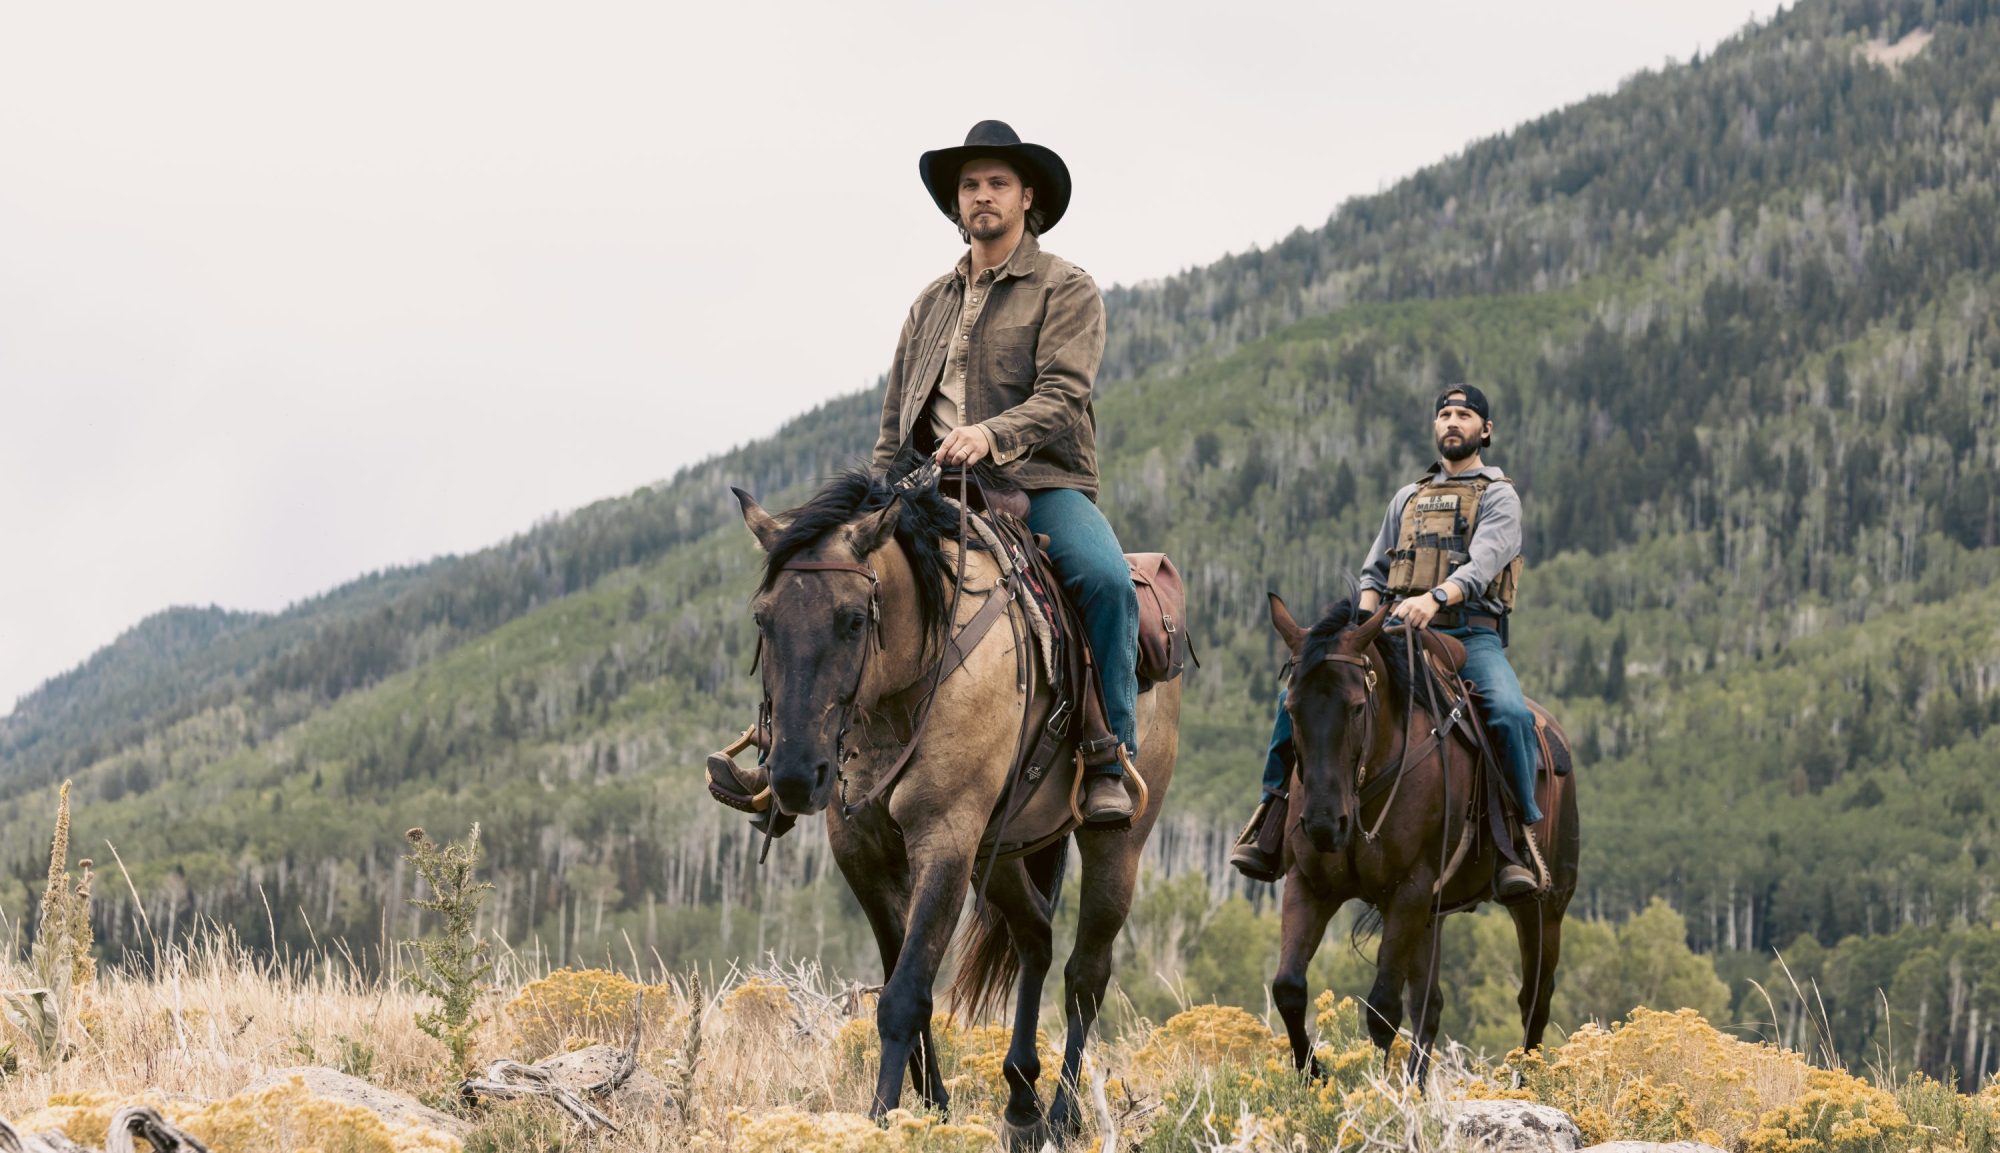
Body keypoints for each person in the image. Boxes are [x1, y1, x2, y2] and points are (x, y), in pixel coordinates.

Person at [711, 120, 1139, 824]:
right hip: (926, 491)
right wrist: (873, 498)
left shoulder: (1066, 288)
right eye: (970, 185)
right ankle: (785, 755)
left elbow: (1064, 398)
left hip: (1037, 486)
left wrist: (989, 435)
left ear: (1027, 197)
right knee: (816, 584)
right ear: (957, 203)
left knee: (1107, 580)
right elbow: (894, 420)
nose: (982, 196)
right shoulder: (929, 305)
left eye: (998, 183)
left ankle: (1106, 752)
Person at [1230, 385, 1541, 896]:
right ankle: (1270, 816)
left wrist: (1437, 597)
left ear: (1484, 431)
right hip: (1395, 632)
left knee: (1509, 714)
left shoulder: (1499, 495)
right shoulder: (1408, 498)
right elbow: (1374, 571)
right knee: (1306, 696)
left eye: (1464, 415)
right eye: (1444, 414)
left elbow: (1486, 560)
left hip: (1470, 633)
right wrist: (1360, 630)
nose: (1452, 422)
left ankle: (1518, 838)